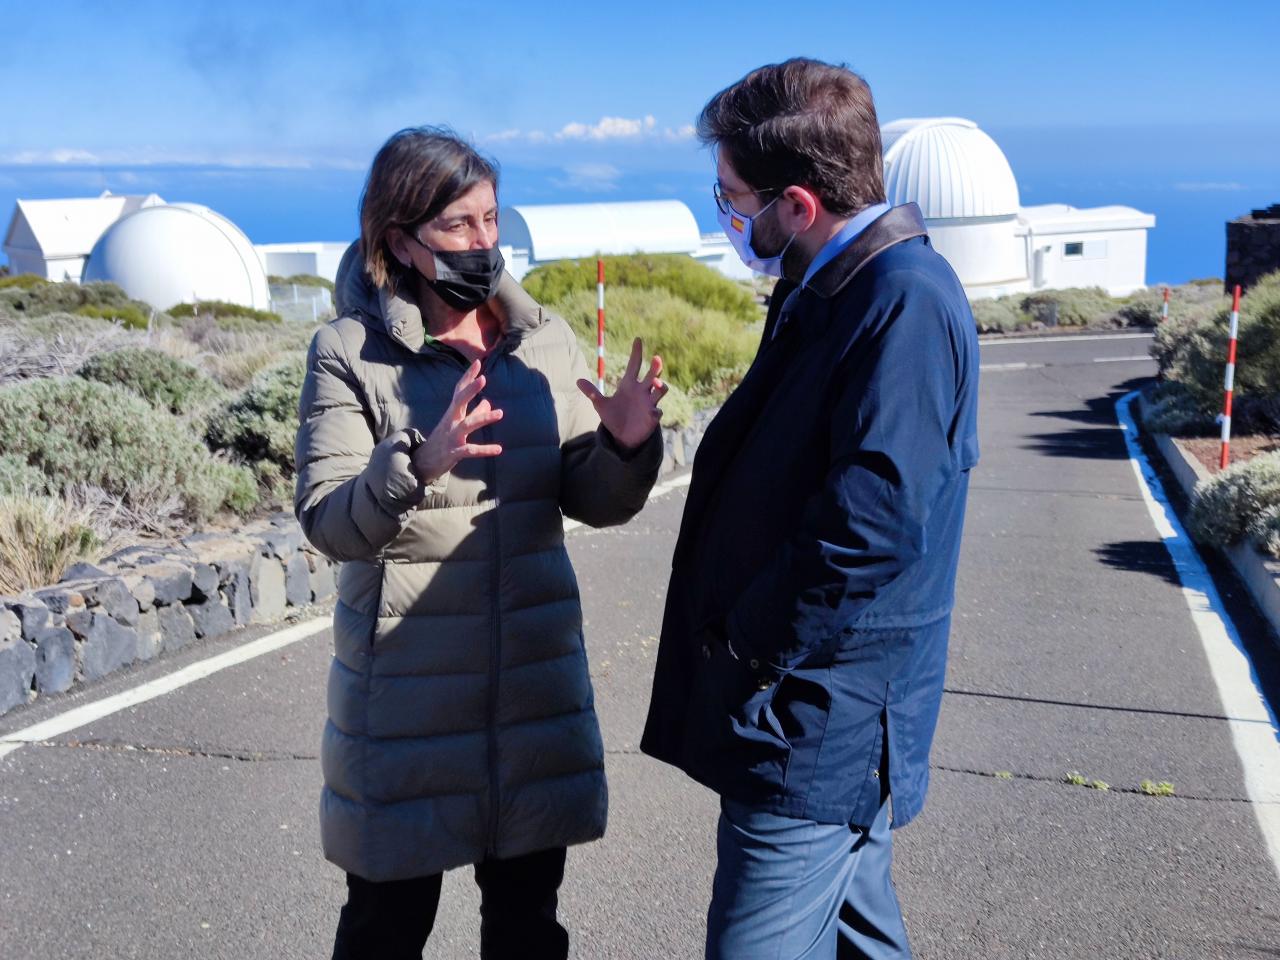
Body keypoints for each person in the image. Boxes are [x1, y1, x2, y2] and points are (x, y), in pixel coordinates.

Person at [294, 126, 666, 960]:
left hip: (532, 694)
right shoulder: (350, 355)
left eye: (491, 219)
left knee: (529, 932)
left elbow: (593, 501)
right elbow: (327, 521)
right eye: (458, 225)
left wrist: (627, 448)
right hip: (408, 707)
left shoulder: (542, 342)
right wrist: (414, 466)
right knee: (384, 933)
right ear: (399, 239)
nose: (483, 242)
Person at [640, 59, 980, 959]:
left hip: (815, 718)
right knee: (863, 938)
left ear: (797, 202)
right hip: (814, 707)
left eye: (733, 199)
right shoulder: (829, 285)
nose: (730, 219)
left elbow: (871, 526)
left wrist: (749, 641)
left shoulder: (899, 302)